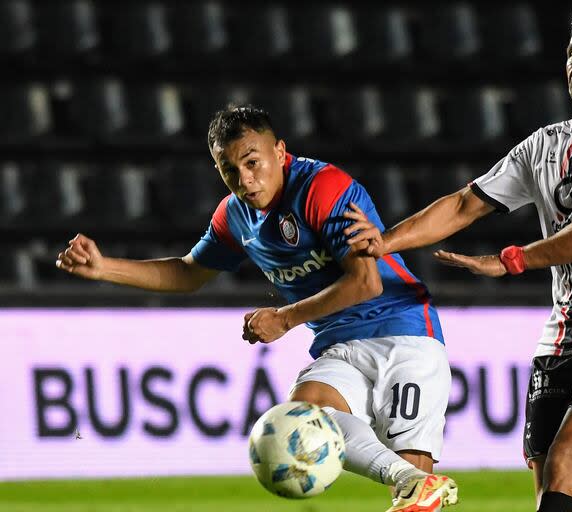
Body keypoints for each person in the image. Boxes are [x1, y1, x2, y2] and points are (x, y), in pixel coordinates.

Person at [343, 5, 572, 512]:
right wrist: (384, 242)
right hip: (561, 335)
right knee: (551, 481)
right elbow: (464, 203)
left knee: (569, 459)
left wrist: (512, 261)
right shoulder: (546, 145)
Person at [56, 105, 458, 512]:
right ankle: (408, 479)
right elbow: (187, 272)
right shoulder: (235, 216)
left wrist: (284, 318)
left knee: (415, 493)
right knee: (302, 416)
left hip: (404, 333)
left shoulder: (324, 188)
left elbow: (366, 282)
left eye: (252, 162)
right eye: (229, 170)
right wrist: (104, 267)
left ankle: (411, 478)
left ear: (280, 152)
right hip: (337, 344)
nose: (244, 180)